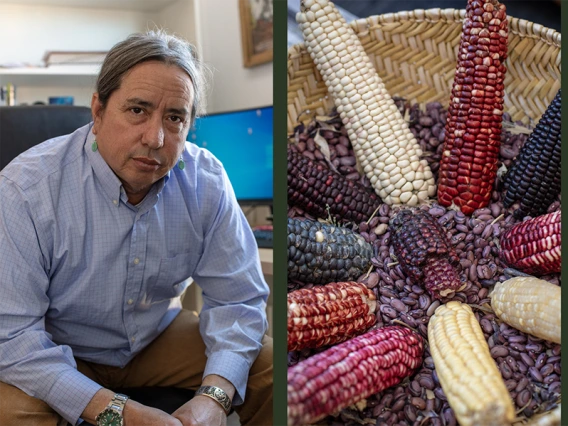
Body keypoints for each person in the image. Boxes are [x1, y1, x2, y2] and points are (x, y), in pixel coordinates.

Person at [0, 29, 272, 426]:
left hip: (152, 338)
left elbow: (237, 301)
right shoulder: (25, 190)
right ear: (98, 111)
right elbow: (13, 336)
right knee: (13, 411)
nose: (155, 138)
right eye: (137, 110)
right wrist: (117, 413)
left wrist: (214, 397)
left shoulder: (206, 181)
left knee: (271, 367)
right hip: (58, 346)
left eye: (174, 117)